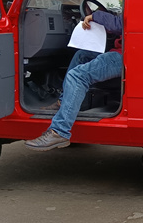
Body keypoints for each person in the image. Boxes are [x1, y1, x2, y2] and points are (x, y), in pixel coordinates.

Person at [25, 10, 123, 151]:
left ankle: (59, 131)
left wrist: (95, 16)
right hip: (124, 49)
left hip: (125, 54)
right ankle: (63, 101)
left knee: (77, 75)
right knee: (81, 55)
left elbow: (119, 24)